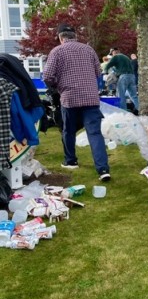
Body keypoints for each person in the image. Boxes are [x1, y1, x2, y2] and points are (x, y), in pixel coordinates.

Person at [43, 23, 111, 182]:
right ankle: (103, 170)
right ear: (75, 36)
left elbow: (47, 76)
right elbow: (98, 72)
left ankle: (70, 161)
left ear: (61, 38)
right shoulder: (89, 50)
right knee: (94, 133)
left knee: (68, 130)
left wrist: (55, 87)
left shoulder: (57, 51)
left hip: (69, 97)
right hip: (91, 97)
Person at [104, 48, 139, 112]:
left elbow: (108, 65)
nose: (112, 55)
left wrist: (105, 72)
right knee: (133, 95)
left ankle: (123, 112)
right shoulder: (126, 57)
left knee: (120, 95)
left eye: (112, 54)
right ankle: (140, 109)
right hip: (132, 76)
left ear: (114, 52)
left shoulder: (116, 57)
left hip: (123, 76)